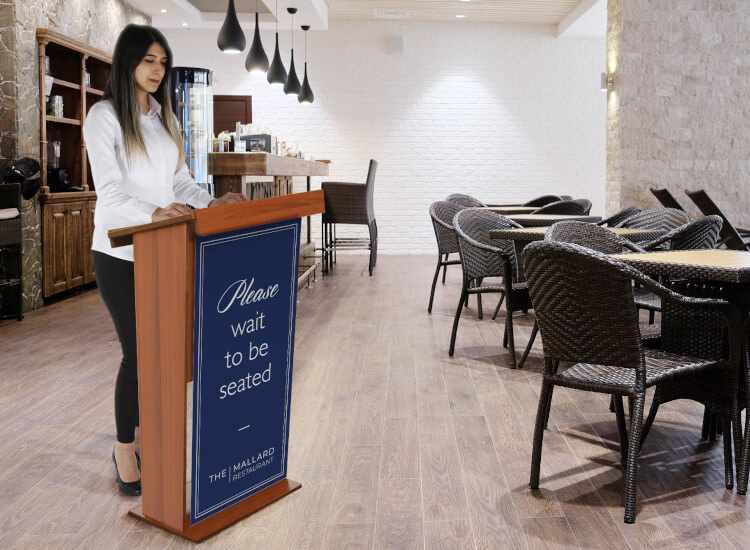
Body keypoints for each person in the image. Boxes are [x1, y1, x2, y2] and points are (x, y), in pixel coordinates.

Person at [83, 24, 247, 496]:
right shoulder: (104, 117)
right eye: (148, 60)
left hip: (164, 250)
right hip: (118, 251)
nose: (157, 70)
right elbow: (110, 192)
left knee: (160, 355)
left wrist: (210, 203)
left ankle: (144, 438)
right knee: (137, 354)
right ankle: (122, 447)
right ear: (128, 61)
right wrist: (153, 212)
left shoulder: (162, 119)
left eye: (162, 62)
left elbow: (180, 186)